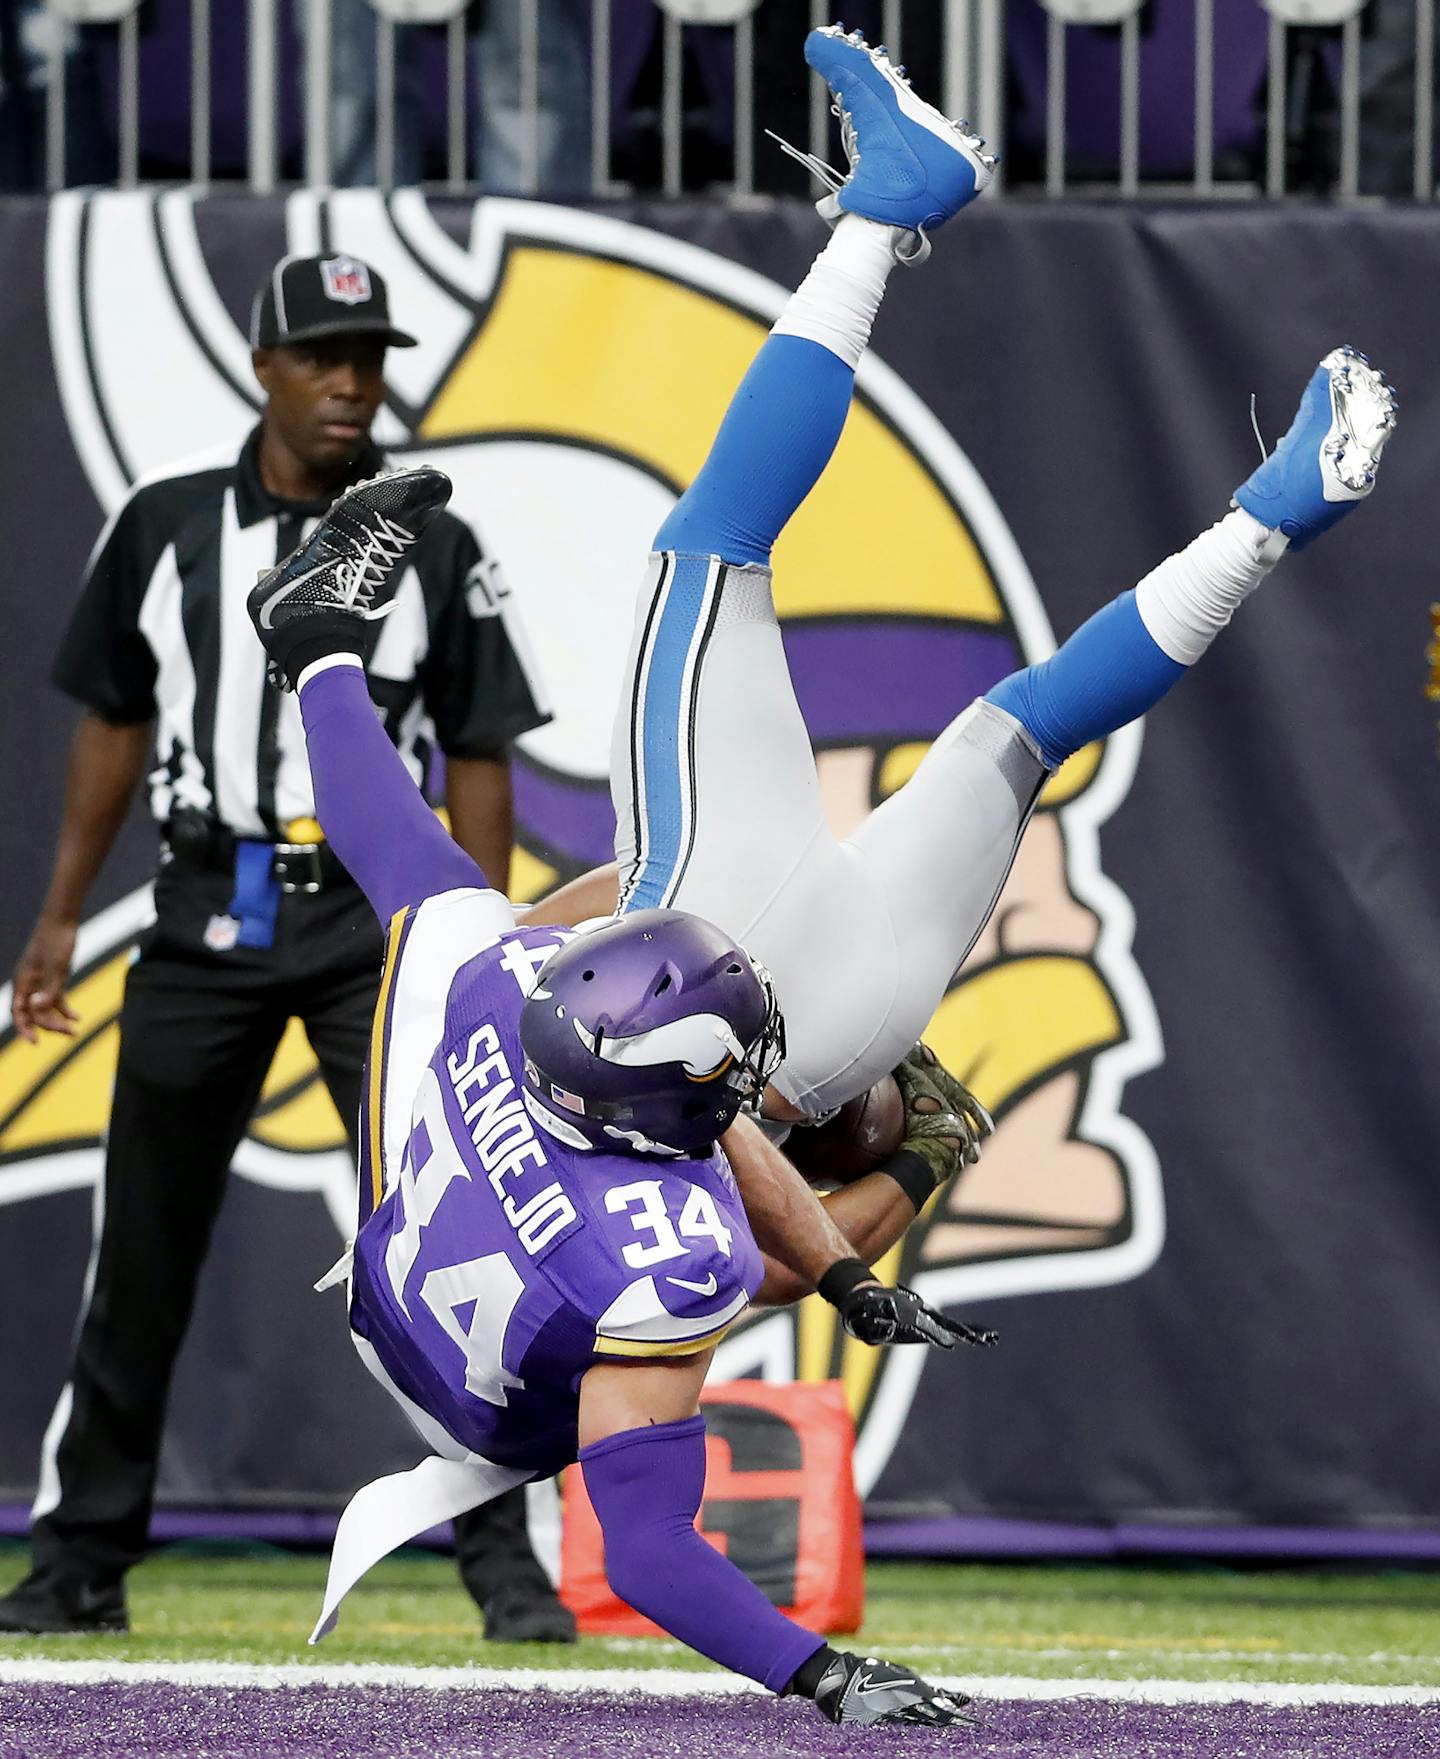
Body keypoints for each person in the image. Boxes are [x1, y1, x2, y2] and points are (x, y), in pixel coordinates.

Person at [533, 24, 1396, 1139]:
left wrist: (898, 1185)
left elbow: (773, 1243)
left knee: (1030, 728)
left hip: (854, 1024)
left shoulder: (643, 1273)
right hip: (706, 919)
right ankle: (889, 207)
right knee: (715, 541)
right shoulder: (499, 1203)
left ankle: (1268, 525)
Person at [0, 253, 566, 1643]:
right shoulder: (167, 522)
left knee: (453, 1225)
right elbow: (113, 724)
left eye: (369, 356)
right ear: (263, 367)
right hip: (204, 909)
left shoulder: (436, 537)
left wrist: (468, 942)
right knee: (141, 1246)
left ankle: (502, 1558)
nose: (350, 382)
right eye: (322, 355)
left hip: (372, 918)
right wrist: (62, 913)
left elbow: (482, 752)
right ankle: (81, 1556)